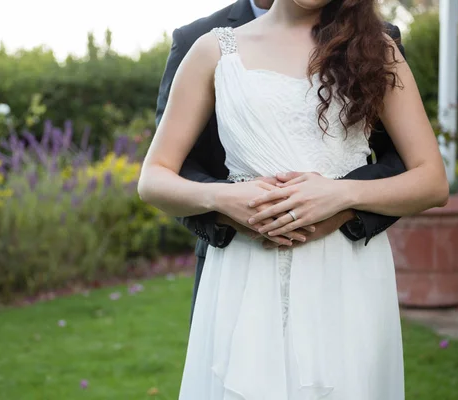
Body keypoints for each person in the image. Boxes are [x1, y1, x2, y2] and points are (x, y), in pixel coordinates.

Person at [140, 0, 448, 398]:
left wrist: (341, 194)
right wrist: (223, 198)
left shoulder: (376, 49)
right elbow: (153, 177)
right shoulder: (211, 50)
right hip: (244, 271)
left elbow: (431, 180)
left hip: (344, 272)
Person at [155, 0, 410, 321]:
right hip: (241, 261)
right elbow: (169, 169)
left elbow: (408, 164)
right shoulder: (204, 43)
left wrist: (342, 203)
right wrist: (228, 204)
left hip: (345, 261)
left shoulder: (374, 42)